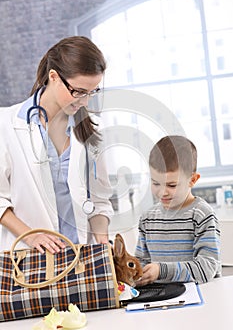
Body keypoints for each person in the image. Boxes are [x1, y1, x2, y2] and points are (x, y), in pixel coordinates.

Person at [0, 36, 113, 253]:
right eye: (78, 91)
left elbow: (99, 201)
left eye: (92, 92)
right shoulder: (6, 124)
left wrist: (102, 240)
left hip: (79, 257)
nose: (85, 101)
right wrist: (31, 236)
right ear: (54, 77)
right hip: (28, 256)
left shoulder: (91, 134)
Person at [135, 135, 221, 284]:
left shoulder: (202, 215)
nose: (162, 192)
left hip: (201, 298)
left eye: (172, 185)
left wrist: (161, 271)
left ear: (192, 180)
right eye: (156, 183)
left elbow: (206, 268)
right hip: (162, 300)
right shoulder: (147, 219)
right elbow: (141, 263)